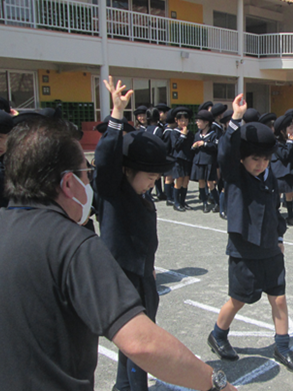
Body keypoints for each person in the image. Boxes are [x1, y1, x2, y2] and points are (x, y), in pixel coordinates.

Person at [0, 112, 236, 391]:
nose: (90, 184)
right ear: (69, 182)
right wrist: (216, 384)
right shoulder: (72, 244)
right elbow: (141, 343)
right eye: (86, 174)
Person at [208, 94, 293, 374]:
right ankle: (218, 334)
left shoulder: (270, 176)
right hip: (244, 248)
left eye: (264, 159)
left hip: (270, 247)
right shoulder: (236, 175)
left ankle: (283, 346)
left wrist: (279, 237)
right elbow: (226, 154)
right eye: (254, 159)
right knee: (238, 299)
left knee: (279, 297)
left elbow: (274, 210)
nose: (260, 164)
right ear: (243, 158)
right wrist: (236, 120)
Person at [95, 78, 178, 391]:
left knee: (135, 342)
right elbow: (105, 161)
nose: (151, 184)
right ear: (128, 170)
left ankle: (122, 386)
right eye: (150, 177)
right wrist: (117, 114)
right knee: (139, 344)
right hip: (122, 277)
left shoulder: (141, 196)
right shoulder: (112, 191)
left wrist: (150, 266)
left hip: (142, 275)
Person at [270, 114, 293, 226]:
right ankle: (274, 216)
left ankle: (290, 216)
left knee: (290, 193)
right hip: (279, 172)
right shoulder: (276, 142)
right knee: (278, 195)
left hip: (290, 171)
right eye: (290, 128)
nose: (292, 130)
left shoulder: (291, 140)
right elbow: (284, 155)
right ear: (282, 130)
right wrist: (290, 143)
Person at [191, 110, 219, 213]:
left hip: (209, 161)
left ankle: (217, 202)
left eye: (199, 121)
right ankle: (204, 202)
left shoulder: (213, 134)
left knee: (210, 183)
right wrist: (194, 146)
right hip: (199, 161)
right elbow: (193, 146)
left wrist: (205, 144)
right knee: (201, 182)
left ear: (206, 122)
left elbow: (215, 146)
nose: (197, 123)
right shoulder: (197, 134)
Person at [170, 107, 194, 211]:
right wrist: (182, 135)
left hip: (187, 159)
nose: (183, 122)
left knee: (186, 180)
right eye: (181, 120)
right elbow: (175, 145)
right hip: (178, 159)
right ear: (176, 120)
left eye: (186, 120)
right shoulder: (174, 132)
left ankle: (183, 201)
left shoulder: (191, 133)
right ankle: (176, 202)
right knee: (179, 179)